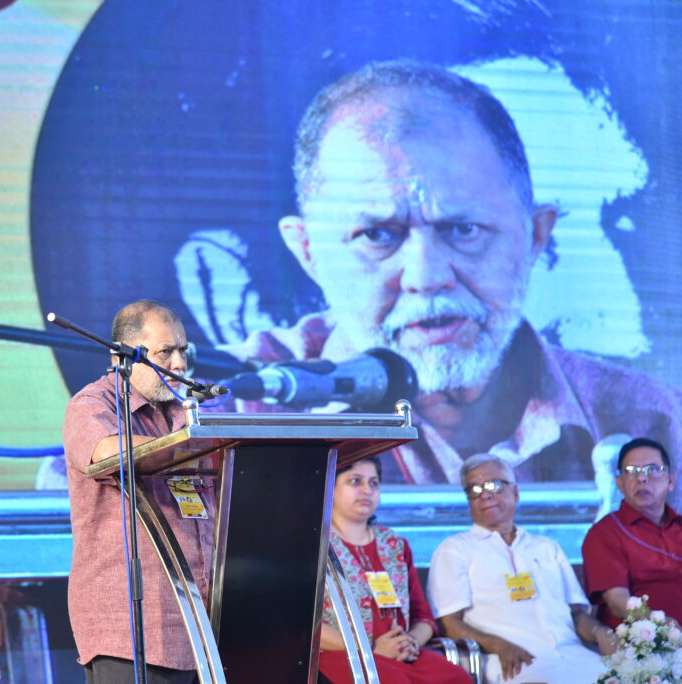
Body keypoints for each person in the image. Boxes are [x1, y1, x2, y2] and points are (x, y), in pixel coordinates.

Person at [227, 59, 682, 500]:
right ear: (308, 252)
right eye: (378, 235)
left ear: (535, 236)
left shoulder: (658, 425)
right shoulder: (229, 415)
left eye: (464, 230)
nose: (427, 277)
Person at [63, 299, 212, 683]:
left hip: (203, 629)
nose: (179, 364)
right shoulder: (92, 403)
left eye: (183, 351)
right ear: (122, 357)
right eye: (165, 353)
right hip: (131, 629)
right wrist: (190, 447)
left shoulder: (183, 411)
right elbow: (105, 452)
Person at [427, 454, 616, 684]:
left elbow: (576, 614)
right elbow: (448, 623)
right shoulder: (455, 549)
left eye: (494, 485)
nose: (485, 495)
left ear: (515, 492)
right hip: (514, 663)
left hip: (573, 655)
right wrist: (498, 645)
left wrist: (599, 632)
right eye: (474, 489)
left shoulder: (546, 547)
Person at [318, 455, 472, 684]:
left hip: (402, 654)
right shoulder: (316, 546)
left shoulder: (395, 544)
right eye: (355, 481)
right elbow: (306, 624)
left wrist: (409, 642)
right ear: (331, 487)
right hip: (344, 655)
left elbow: (423, 616)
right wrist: (370, 648)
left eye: (373, 483)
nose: (367, 490)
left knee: (456, 677)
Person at [582, 437, 682, 627]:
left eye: (653, 470)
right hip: (647, 640)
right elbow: (618, 601)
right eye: (631, 471)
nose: (642, 478)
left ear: (670, 481)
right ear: (620, 484)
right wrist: (665, 628)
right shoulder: (604, 533)